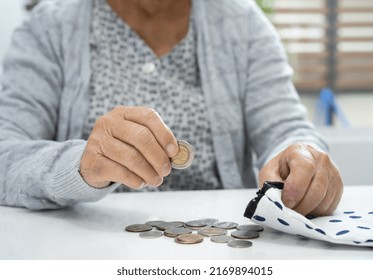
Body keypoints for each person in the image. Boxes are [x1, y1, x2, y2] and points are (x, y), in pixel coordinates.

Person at [0, 0, 343, 216]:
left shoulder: (244, 24)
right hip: (81, 249)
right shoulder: (47, 28)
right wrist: (79, 166)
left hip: (219, 252)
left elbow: (285, 127)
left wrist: (302, 155)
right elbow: (5, 154)